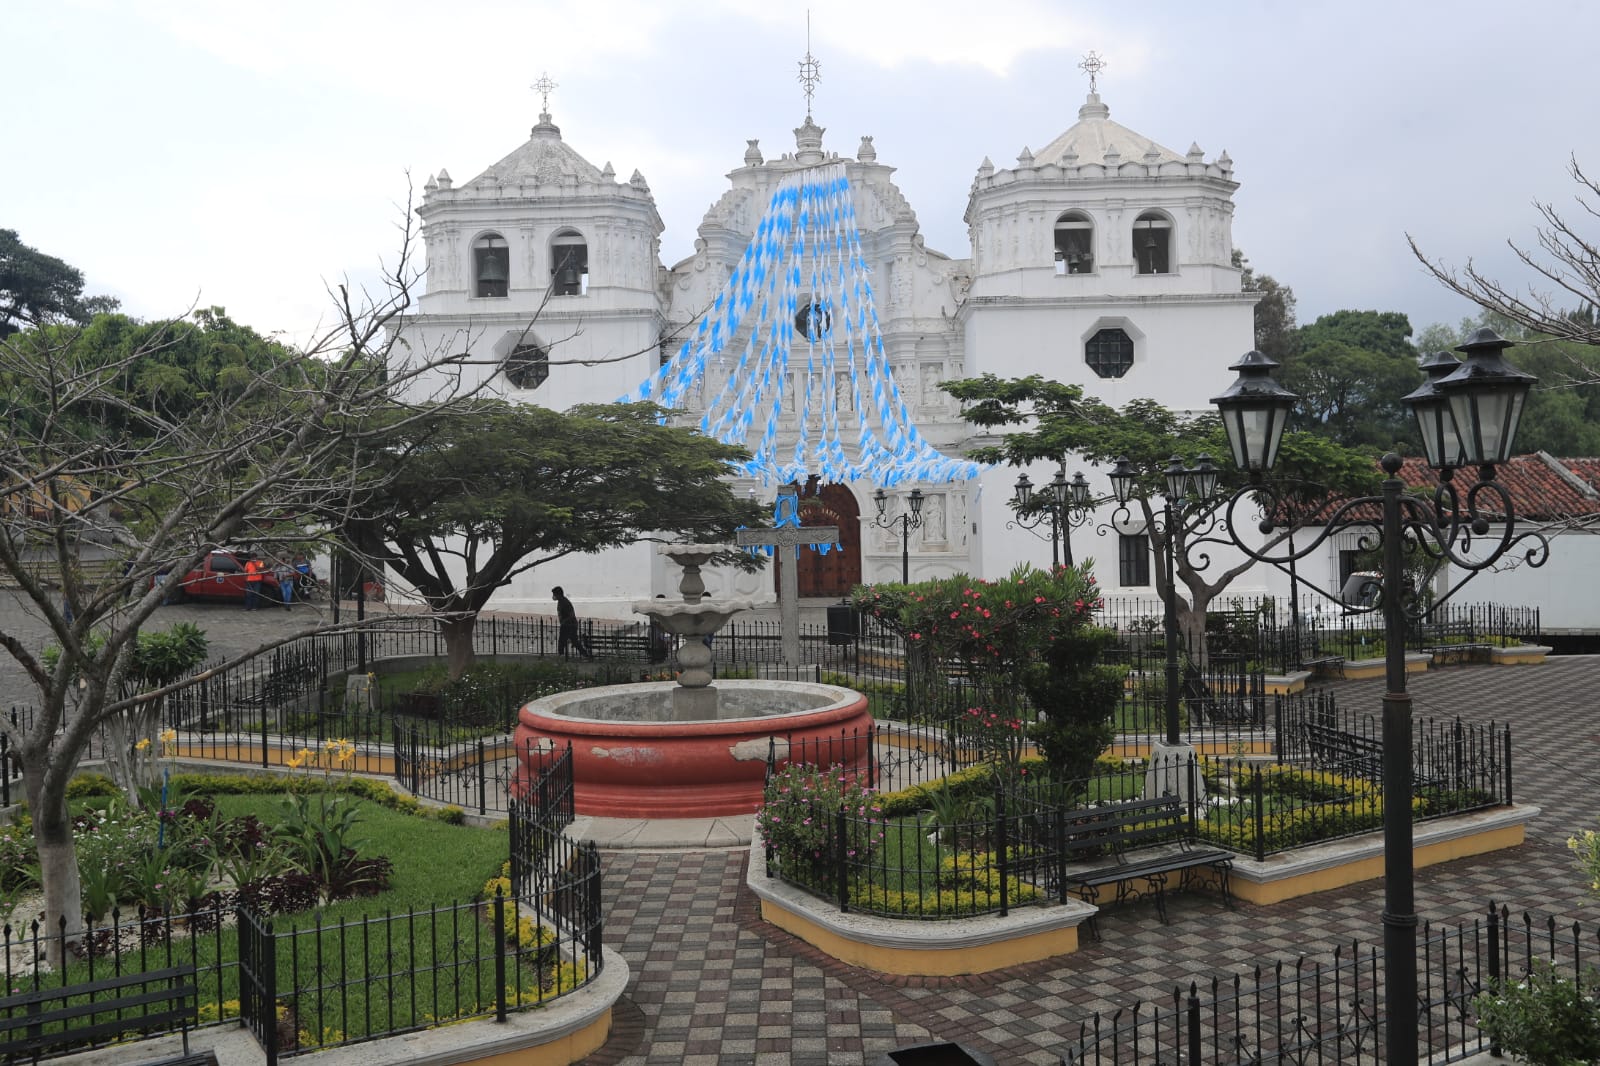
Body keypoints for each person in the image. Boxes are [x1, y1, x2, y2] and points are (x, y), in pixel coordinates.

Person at [552, 586, 593, 660]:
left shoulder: (564, 602)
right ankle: (585, 654)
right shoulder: (561, 602)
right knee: (572, 641)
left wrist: (564, 622)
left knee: (564, 640)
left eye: (554, 594)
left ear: (558, 594)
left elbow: (571, 614)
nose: (553, 596)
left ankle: (561, 655)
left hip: (569, 625)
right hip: (568, 624)